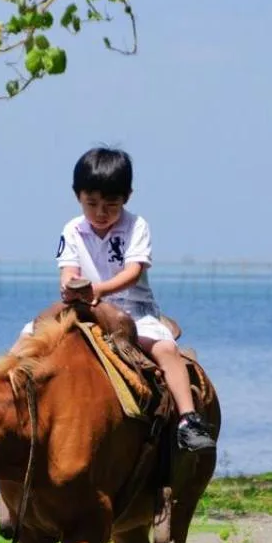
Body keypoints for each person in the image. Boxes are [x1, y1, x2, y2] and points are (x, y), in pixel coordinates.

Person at [51, 146, 215, 453]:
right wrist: (71, 287)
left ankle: (188, 419)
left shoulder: (137, 226)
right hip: (86, 307)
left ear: (127, 197)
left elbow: (134, 270)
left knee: (165, 349)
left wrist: (99, 290)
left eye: (111, 204)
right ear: (78, 196)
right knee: (31, 339)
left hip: (133, 308)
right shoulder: (72, 230)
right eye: (92, 203)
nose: (101, 212)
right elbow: (68, 270)